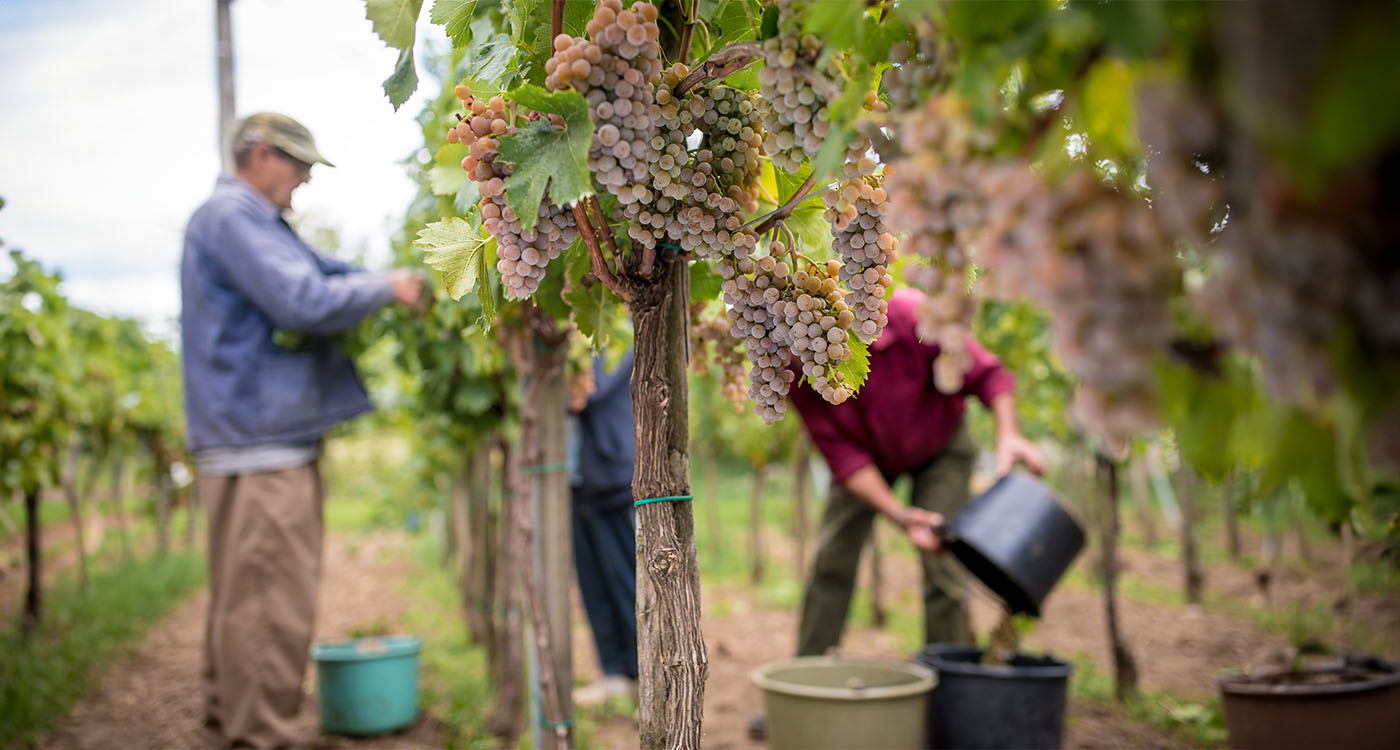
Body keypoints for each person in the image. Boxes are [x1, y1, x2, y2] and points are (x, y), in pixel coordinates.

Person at [181, 112, 424, 748]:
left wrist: (383, 280)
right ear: (259, 155)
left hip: (251, 440)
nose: (306, 180)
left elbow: (328, 273)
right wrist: (391, 290)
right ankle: (260, 735)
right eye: (299, 165)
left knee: (244, 599)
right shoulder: (232, 217)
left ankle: (230, 725)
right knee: (268, 605)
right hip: (259, 448)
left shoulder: (255, 222)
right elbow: (303, 300)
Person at [750, 285, 1045, 740]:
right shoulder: (793, 367)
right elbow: (842, 456)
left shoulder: (908, 315)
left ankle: (951, 706)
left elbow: (988, 374)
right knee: (831, 562)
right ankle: (801, 689)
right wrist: (899, 513)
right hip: (869, 461)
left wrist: (1009, 434)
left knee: (943, 566)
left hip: (940, 446)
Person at [566, 348, 639, 705]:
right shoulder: (573, 329)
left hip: (609, 474)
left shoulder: (617, 330)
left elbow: (587, 391)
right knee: (592, 580)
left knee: (624, 577)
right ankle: (613, 673)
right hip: (575, 477)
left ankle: (640, 672)